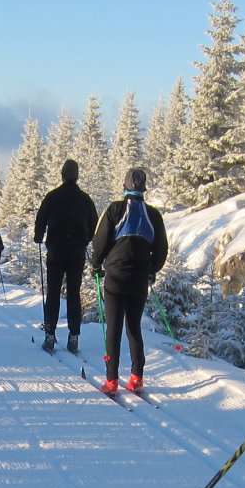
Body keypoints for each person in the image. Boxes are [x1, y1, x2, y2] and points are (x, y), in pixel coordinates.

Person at [90, 168, 167, 394]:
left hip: (115, 276)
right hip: (140, 278)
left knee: (113, 328)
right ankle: (136, 378)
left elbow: (100, 240)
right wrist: (152, 270)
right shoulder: (153, 215)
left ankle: (111, 380)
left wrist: (96, 264)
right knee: (134, 327)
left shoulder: (114, 209)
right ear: (144, 188)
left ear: (124, 186)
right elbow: (161, 249)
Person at [32, 158, 98, 354]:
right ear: (76, 176)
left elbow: (41, 218)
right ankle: (73, 337)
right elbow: (94, 222)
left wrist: (39, 237)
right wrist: (85, 239)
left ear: (62, 175)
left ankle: (50, 335)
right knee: (73, 294)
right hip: (76, 252)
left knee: (52, 292)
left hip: (56, 251)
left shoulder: (52, 196)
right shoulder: (85, 199)